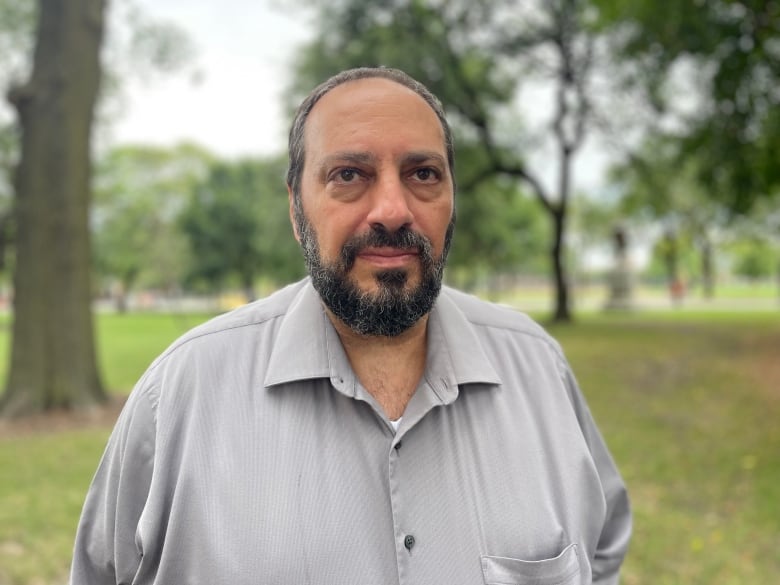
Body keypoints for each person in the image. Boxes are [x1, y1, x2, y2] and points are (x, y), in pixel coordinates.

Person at [71, 67, 631, 585]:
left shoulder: (538, 368)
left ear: (451, 198)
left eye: (423, 173)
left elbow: (601, 551)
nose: (392, 209)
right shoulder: (179, 396)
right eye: (349, 174)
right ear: (296, 211)